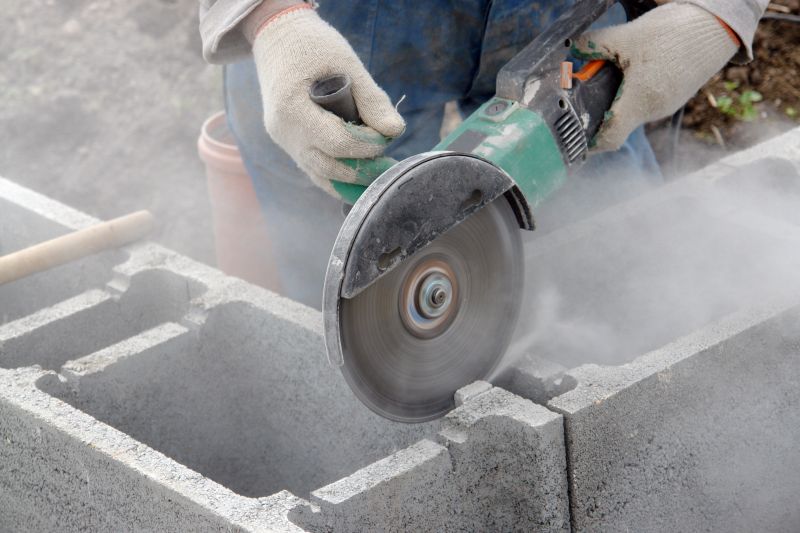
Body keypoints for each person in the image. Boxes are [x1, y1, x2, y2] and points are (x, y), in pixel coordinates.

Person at [198, 0, 768, 308]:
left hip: (554, 12)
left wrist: (716, 12)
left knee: (621, 266)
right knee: (346, 258)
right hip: (334, 17)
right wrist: (272, 19)